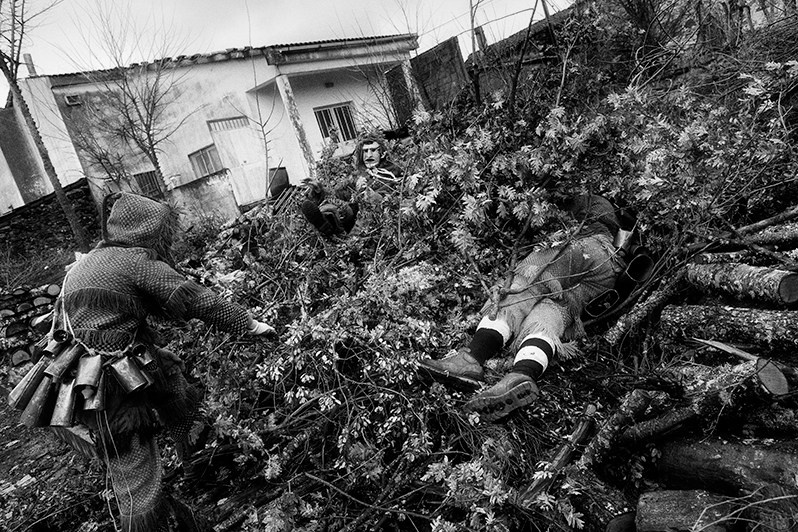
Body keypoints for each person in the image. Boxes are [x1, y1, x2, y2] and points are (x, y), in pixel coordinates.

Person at [12, 192, 275, 531]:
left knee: (172, 378)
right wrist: (250, 324)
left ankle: (195, 460)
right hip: (101, 391)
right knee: (136, 478)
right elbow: (195, 298)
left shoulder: (89, 262)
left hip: (94, 368)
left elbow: (97, 328)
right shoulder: (133, 261)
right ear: (148, 231)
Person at [417, 194, 627, 422]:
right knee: (547, 316)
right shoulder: (613, 241)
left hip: (590, 247)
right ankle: (521, 375)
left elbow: (537, 262)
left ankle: (472, 358)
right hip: (600, 276)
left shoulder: (586, 223)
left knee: (525, 281)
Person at [300, 133, 403, 237]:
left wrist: (372, 195)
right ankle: (327, 224)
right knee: (331, 207)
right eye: (365, 151)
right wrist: (319, 188)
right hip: (352, 212)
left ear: (383, 154)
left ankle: (349, 240)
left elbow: (393, 197)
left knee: (365, 215)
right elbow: (338, 192)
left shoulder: (392, 173)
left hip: (373, 216)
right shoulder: (358, 174)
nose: (369, 155)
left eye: (373, 150)